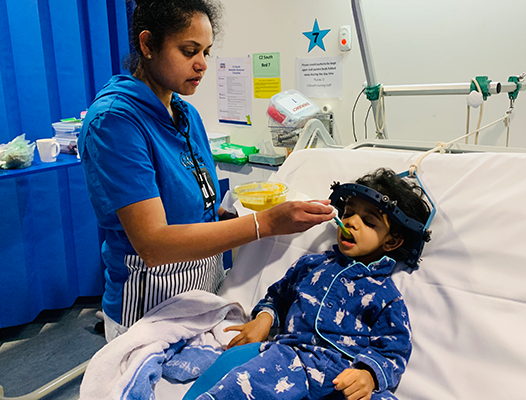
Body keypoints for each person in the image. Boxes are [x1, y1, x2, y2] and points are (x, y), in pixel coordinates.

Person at [77, 0, 334, 342]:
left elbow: (200, 210)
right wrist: (264, 224)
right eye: (188, 51)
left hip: (205, 292)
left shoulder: (185, 115)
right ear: (147, 45)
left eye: (207, 52)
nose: (201, 65)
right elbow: (154, 244)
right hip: (149, 308)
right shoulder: (116, 121)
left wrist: (261, 218)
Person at [190, 168, 432, 400]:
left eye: (369, 222)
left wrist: (368, 375)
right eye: (348, 213)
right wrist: (263, 320)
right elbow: (277, 297)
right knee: (238, 386)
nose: (350, 223)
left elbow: (393, 349)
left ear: (392, 242)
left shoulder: (386, 296)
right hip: (287, 360)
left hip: (343, 379)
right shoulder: (311, 266)